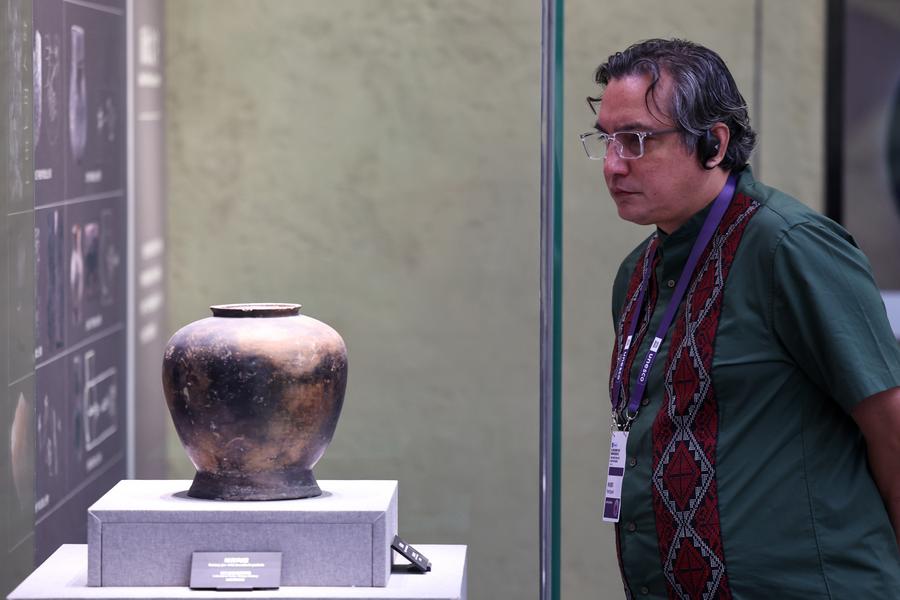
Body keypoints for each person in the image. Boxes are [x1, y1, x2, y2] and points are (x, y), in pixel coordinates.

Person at [582, 38, 900, 599]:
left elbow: (890, 422)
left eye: (636, 140)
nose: (612, 164)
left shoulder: (791, 246)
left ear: (713, 143)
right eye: (606, 140)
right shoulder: (639, 272)